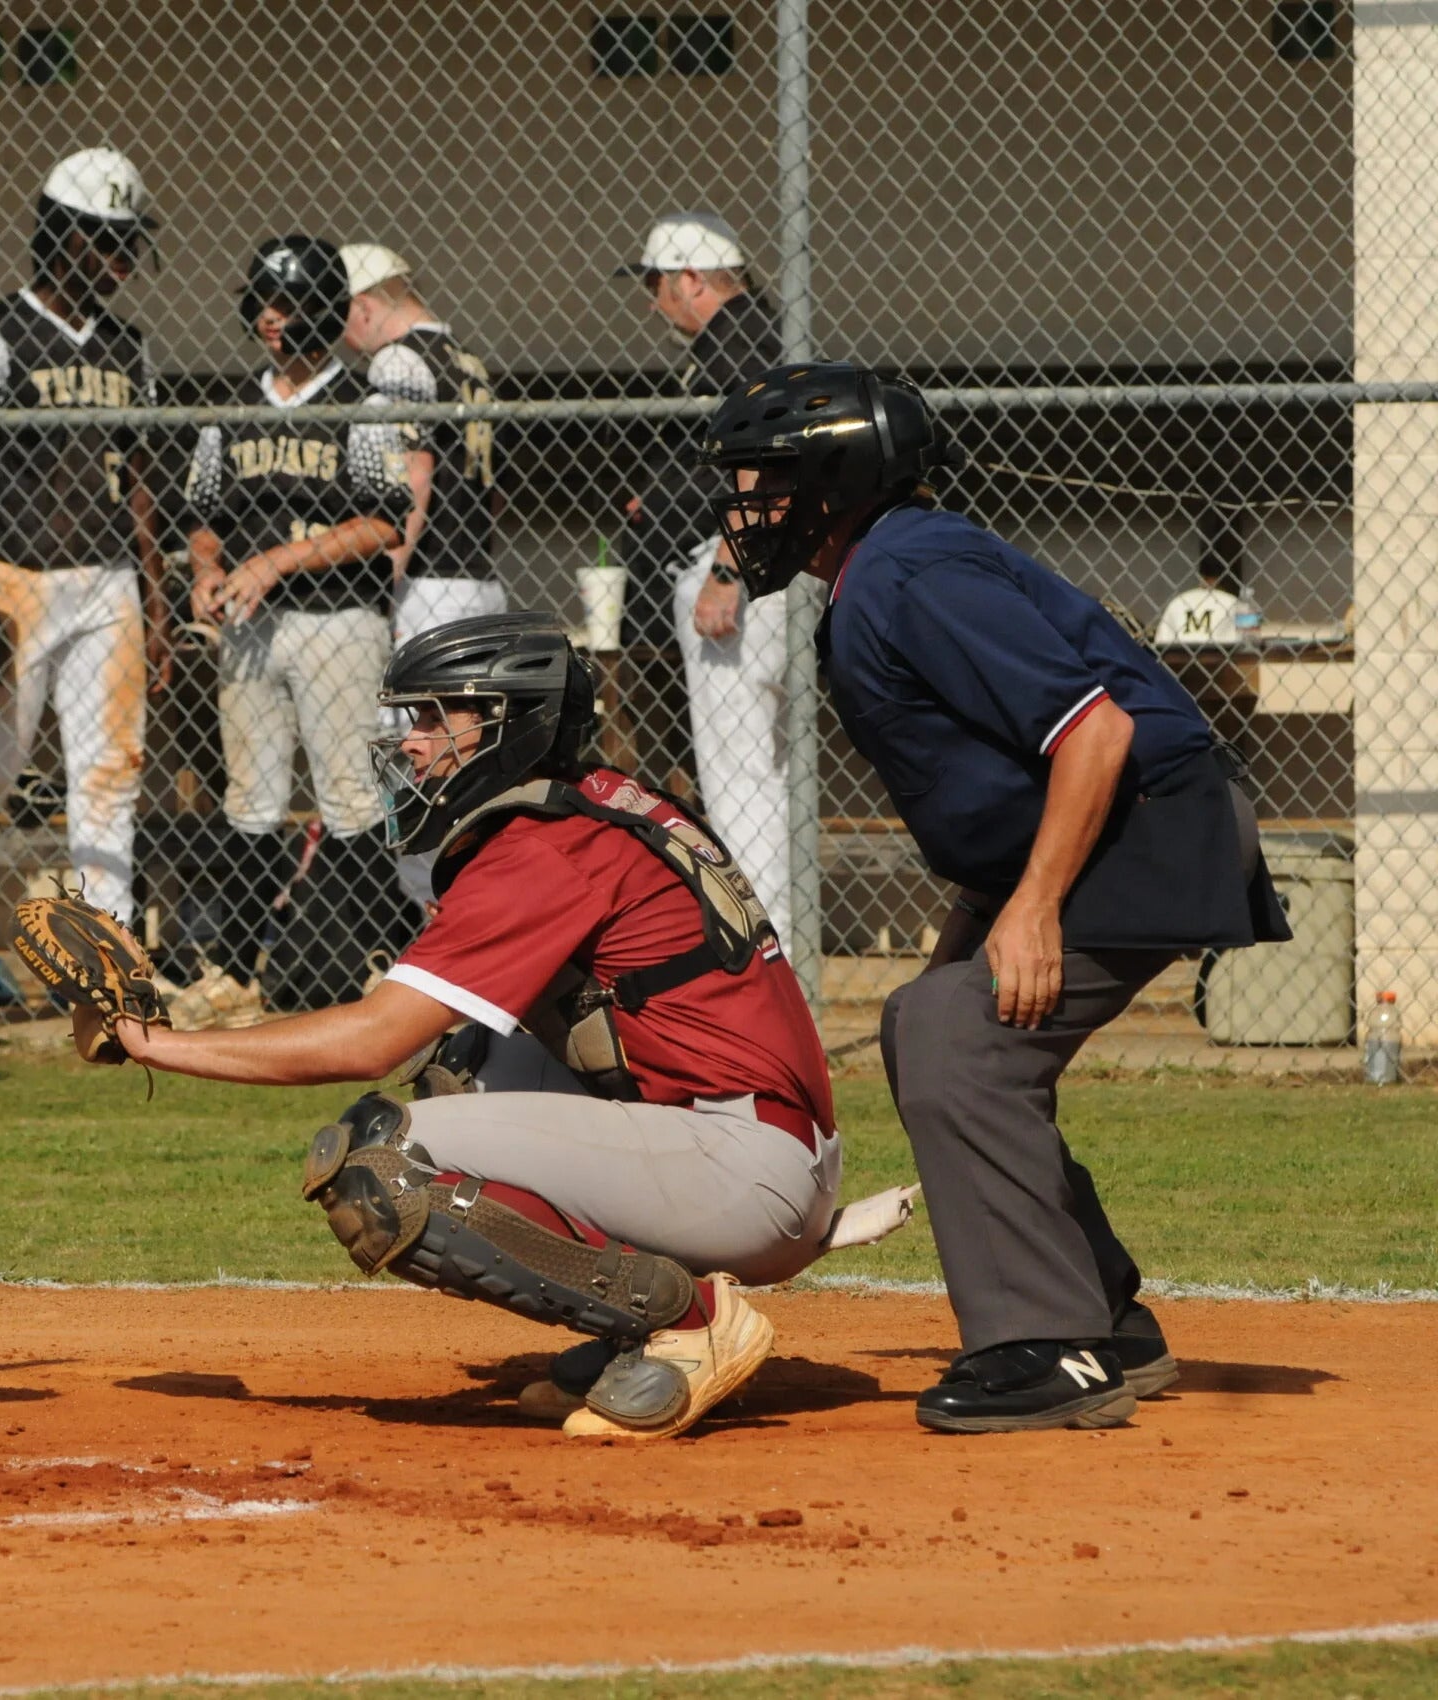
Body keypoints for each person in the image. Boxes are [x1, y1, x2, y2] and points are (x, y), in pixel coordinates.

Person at [88, 613, 901, 1439]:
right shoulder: (593, 805)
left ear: (515, 725)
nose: (413, 742)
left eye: (441, 717)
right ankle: (637, 1327)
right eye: (415, 717)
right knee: (463, 1059)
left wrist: (154, 1040)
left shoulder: (547, 847)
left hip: (742, 1167)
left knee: (381, 1163)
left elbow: (374, 1038)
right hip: (752, 1142)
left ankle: (690, 1320)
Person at [702, 362, 1290, 1433]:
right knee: (934, 1018)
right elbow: (1004, 795)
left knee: (955, 1038)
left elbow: (1092, 731)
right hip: (1133, 825)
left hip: (1150, 823)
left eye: (767, 479)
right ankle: (1103, 1318)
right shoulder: (889, 570)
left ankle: (1050, 1343)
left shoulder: (906, 574)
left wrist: (1029, 911)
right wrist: (979, 927)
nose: (746, 506)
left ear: (837, 478)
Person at [183, 236, 413, 1017]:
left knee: (350, 799)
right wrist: (207, 571)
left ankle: (392, 965)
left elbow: (385, 522)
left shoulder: (365, 402)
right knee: (250, 799)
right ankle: (236, 975)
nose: (271, 321)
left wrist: (278, 560)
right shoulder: (232, 408)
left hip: (339, 622)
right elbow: (205, 522)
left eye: (287, 307)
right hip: (251, 624)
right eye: (264, 305)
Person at [0, 149, 172, 932]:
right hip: (17, 577)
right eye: (105, 242)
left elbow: (140, 481)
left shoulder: (128, 343)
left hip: (110, 577)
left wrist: (157, 599)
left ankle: (108, 954)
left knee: (111, 771)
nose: (120, 261)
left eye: (125, 244)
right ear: (63, 235)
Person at [614, 212, 791, 932]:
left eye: (656, 283)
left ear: (690, 279)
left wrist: (729, 568)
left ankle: (765, 942)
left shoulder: (736, 337)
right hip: (754, 565)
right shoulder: (750, 331)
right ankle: (776, 935)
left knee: (740, 773)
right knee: (756, 767)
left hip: (739, 573)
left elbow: (765, 451)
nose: (653, 299)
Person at [337, 243, 504, 645]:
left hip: (427, 583)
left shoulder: (398, 360)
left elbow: (415, 473)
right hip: (477, 575)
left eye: (338, 317)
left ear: (363, 307)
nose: (339, 336)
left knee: (411, 708)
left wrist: (390, 578)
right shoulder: (465, 358)